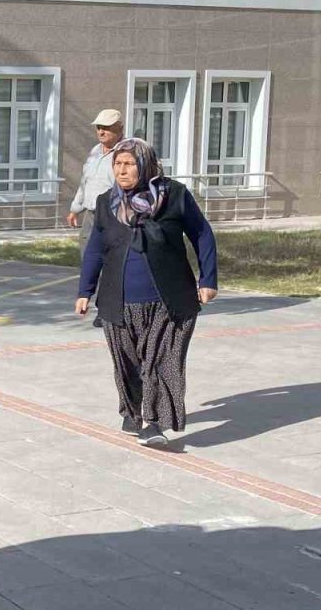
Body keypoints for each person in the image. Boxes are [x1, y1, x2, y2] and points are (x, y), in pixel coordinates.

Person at [77, 137, 218, 448]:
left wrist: (208, 280)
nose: (122, 170)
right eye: (118, 164)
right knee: (126, 362)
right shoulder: (106, 202)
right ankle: (131, 411)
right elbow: (95, 251)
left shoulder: (174, 195)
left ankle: (153, 422)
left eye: (129, 164)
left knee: (159, 360)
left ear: (146, 165)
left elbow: (202, 234)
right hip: (118, 300)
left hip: (168, 300)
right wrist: (85, 290)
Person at [68, 110, 123, 328]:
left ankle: (107, 309)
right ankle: (96, 301)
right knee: (90, 261)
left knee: (112, 264)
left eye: (106, 127)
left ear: (119, 128)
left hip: (114, 215)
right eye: (98, 127)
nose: (101, 131)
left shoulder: (125, 153)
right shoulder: (94, 152)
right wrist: (75, 208)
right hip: (92, 215)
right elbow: (85, 182)